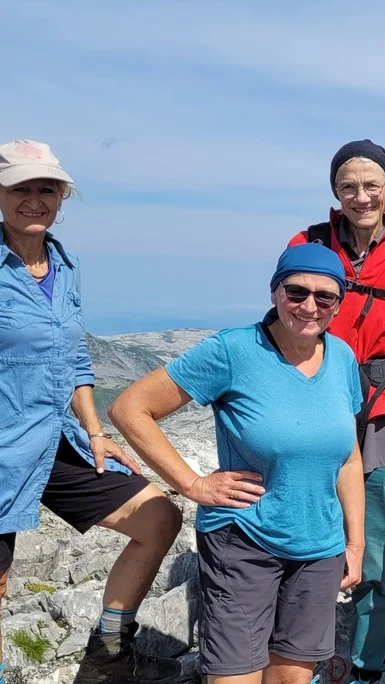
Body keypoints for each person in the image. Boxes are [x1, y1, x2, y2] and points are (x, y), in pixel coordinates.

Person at [108, 244, 367, 684]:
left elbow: (349, 457)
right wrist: (192, 485)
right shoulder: (234, 350)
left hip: (319, 548)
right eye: (296, 292)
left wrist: (356, 543)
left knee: (292, 678)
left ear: (339, 303)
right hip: (244, 540)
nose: (309, 306)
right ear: (274, 293)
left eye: (325, 297)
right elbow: (131, 408)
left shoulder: (341, 357)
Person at [0, 139, 183, 684]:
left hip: (56, 439)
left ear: (61, 197)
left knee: (159, 518)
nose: (35, 199)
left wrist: (95, 429)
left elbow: (74, 355)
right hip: (6, 445)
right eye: (20, 188)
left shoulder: (62, 262)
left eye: (47, 189)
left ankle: (106, 659)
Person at [286, 141, 385, 684]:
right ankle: (300, 657)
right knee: (305, 541)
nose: (361, 196)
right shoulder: (307, 244)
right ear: (335, 191)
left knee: (375, 551)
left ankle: (367, 666)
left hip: (381, 416)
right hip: (312, 411)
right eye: (348, 185)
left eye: (371, 185)